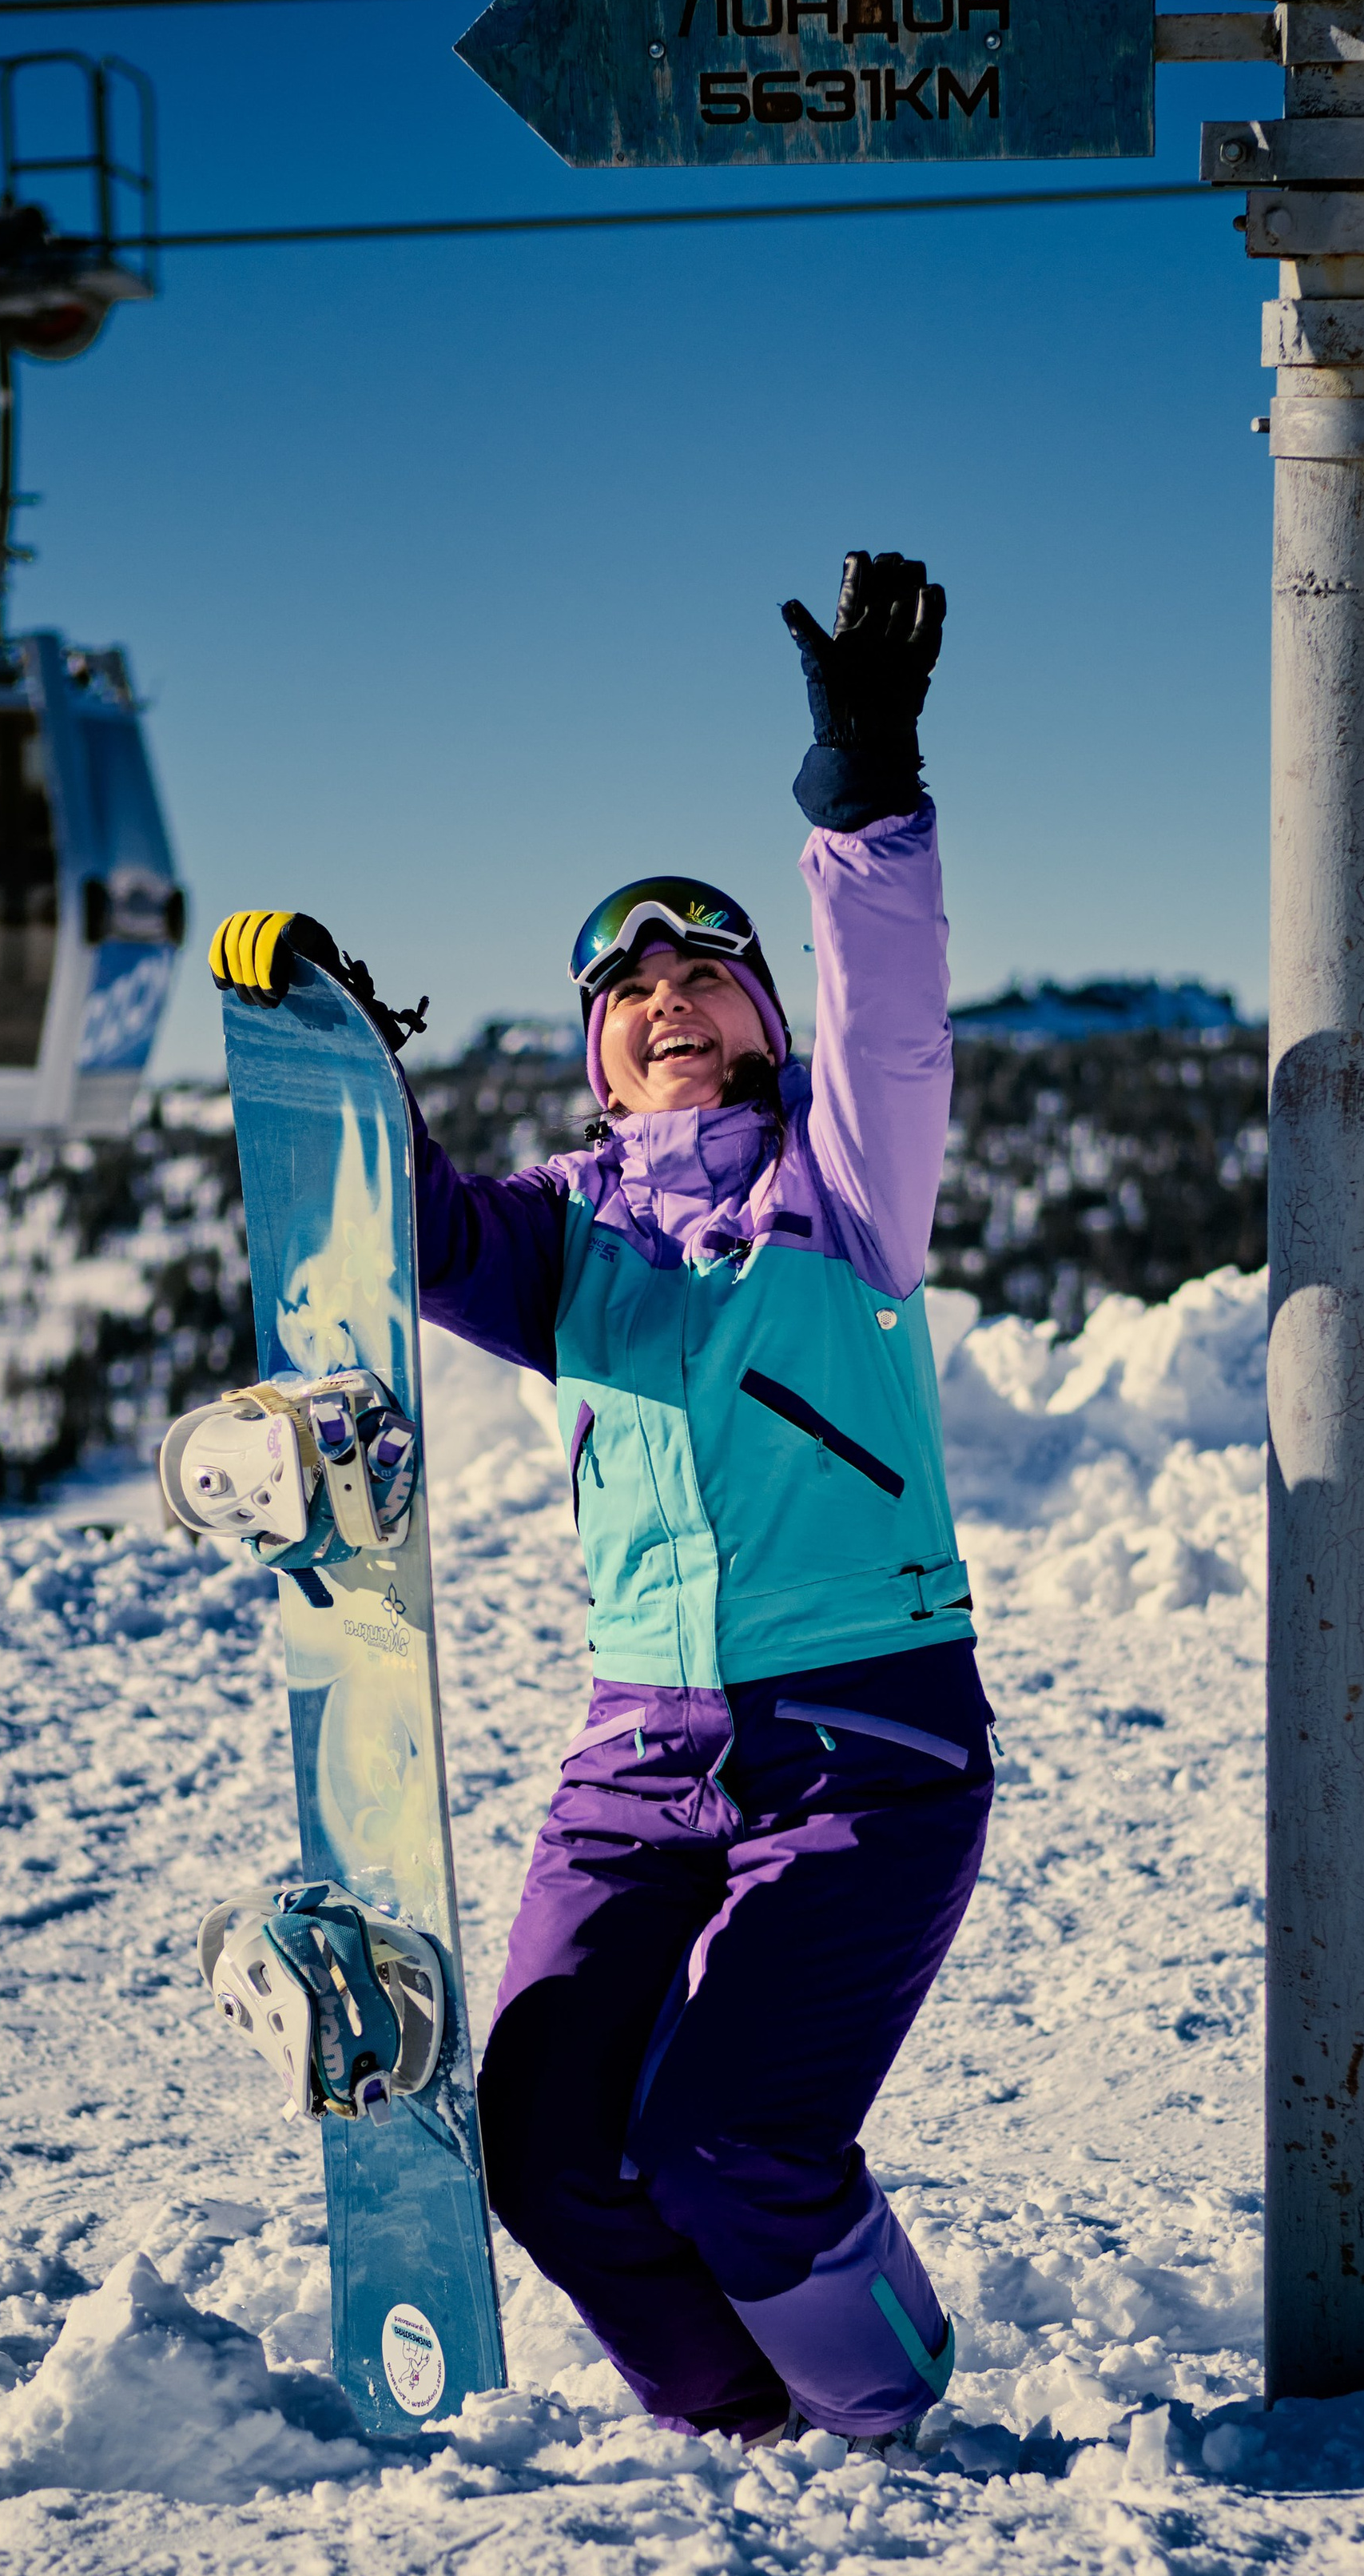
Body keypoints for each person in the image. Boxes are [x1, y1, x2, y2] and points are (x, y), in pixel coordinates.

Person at [221, 553, 991, 2445]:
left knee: (730, 2147)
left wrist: (862, 795)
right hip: (638, 1757)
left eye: (699, 976)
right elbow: (411, 1233)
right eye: (625, 989)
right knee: (555, 2156)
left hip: (865, 1744)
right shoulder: (564, 1241)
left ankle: (890, 2430)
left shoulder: (843, 1186)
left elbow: (885, 1010)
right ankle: (743, 2439)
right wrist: (332, 1050)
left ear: (753, 1016)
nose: (664, 1002)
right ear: (591, 1046)